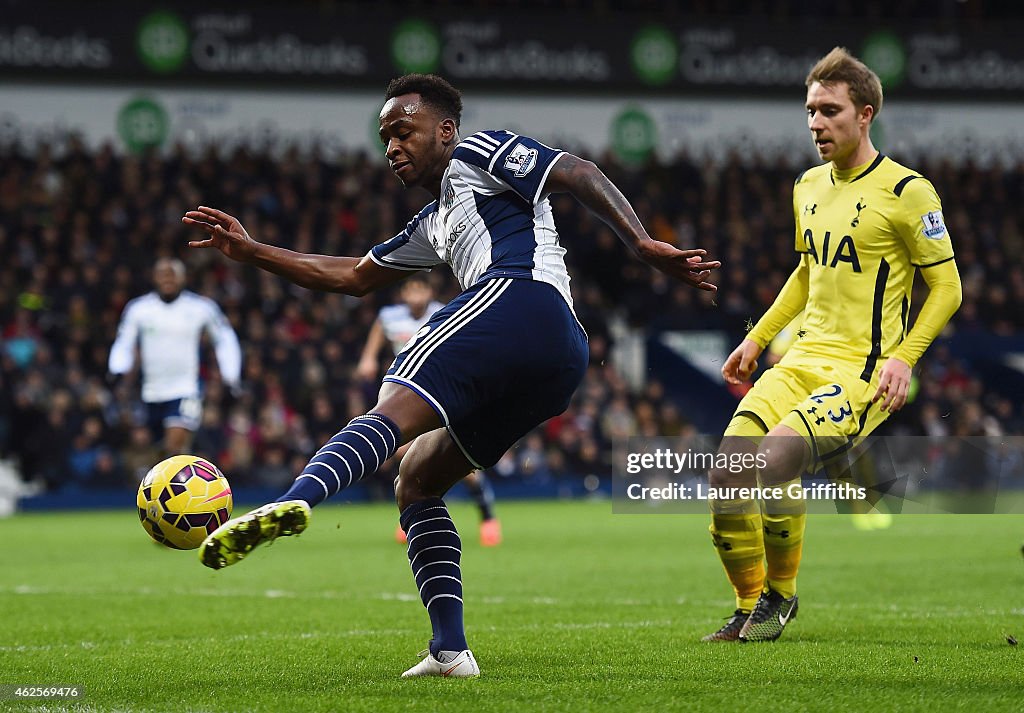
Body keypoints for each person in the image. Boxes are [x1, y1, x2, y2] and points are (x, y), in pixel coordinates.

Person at [182, 73, 718, 678]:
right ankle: (450, 651)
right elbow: (352, 276)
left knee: (391, 406)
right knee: (416, 480)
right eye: (384, 137)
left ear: (444, 130)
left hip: (521, 298)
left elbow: (575, 170)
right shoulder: (433, 223)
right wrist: (254, 252)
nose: (391, 147)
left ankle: (290, 503)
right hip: (557, 359)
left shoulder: (475, 153)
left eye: (403, 130)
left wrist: (642, 243)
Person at [702, 47, 962, 643]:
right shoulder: (808, 186)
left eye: (829, 110)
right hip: (799, 363)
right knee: (726, 477)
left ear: (865, 114)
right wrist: (759, 338)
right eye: (810, 111)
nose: (815, 123)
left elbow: (947, 288)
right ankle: (747, 607)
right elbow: (805, 272)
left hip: (862, 373)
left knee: (771, 463)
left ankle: (780, 597)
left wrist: (904, 357)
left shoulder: (909, 192)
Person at [355, 273, 503, 547]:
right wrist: (368, 358)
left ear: (428, 292)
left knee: (461, 465)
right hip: (409, 393)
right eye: (410, 289)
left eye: (420, 288)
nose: (416, 295)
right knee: (407, 455)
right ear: (403, 293)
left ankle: (487, 517)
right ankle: (411, 518)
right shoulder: (390, 316)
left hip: (442, 391)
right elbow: (375, 339)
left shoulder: (442, 312)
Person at [108, 257, 242, 459]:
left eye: (173, 274)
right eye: (163, 274)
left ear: (183, 278)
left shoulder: (201, 308)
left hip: (185, 389)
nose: (167, 279)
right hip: (149, 392)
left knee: (174, 448)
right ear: (154, 277)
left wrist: (230, 375)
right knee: (153, 455)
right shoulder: (138, 309)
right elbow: (124, 342)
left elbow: (225, 339)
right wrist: (117, 369)